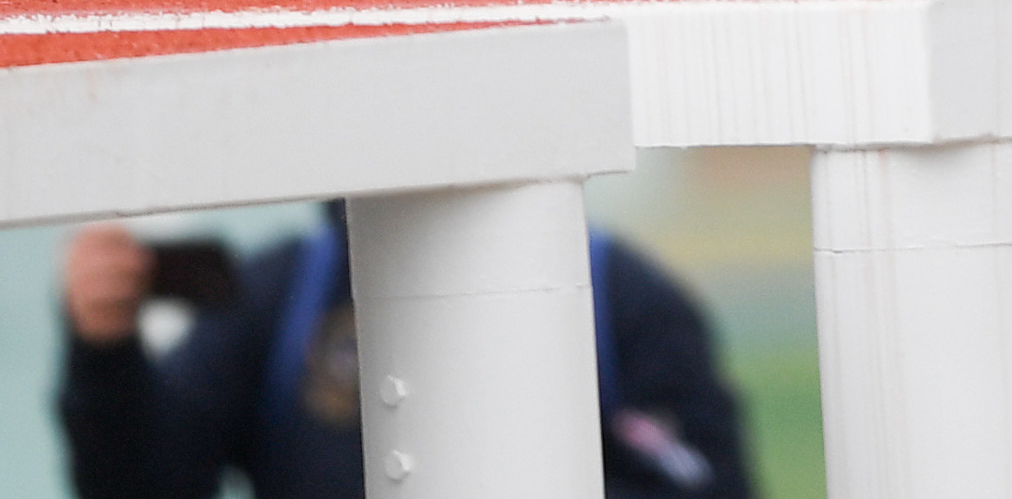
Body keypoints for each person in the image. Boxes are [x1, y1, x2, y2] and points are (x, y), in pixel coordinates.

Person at [54, 207, 753, 496]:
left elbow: (709, 483)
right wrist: (104, 356)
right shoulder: (280, 293)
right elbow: (145, 486)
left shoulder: (615, 292)